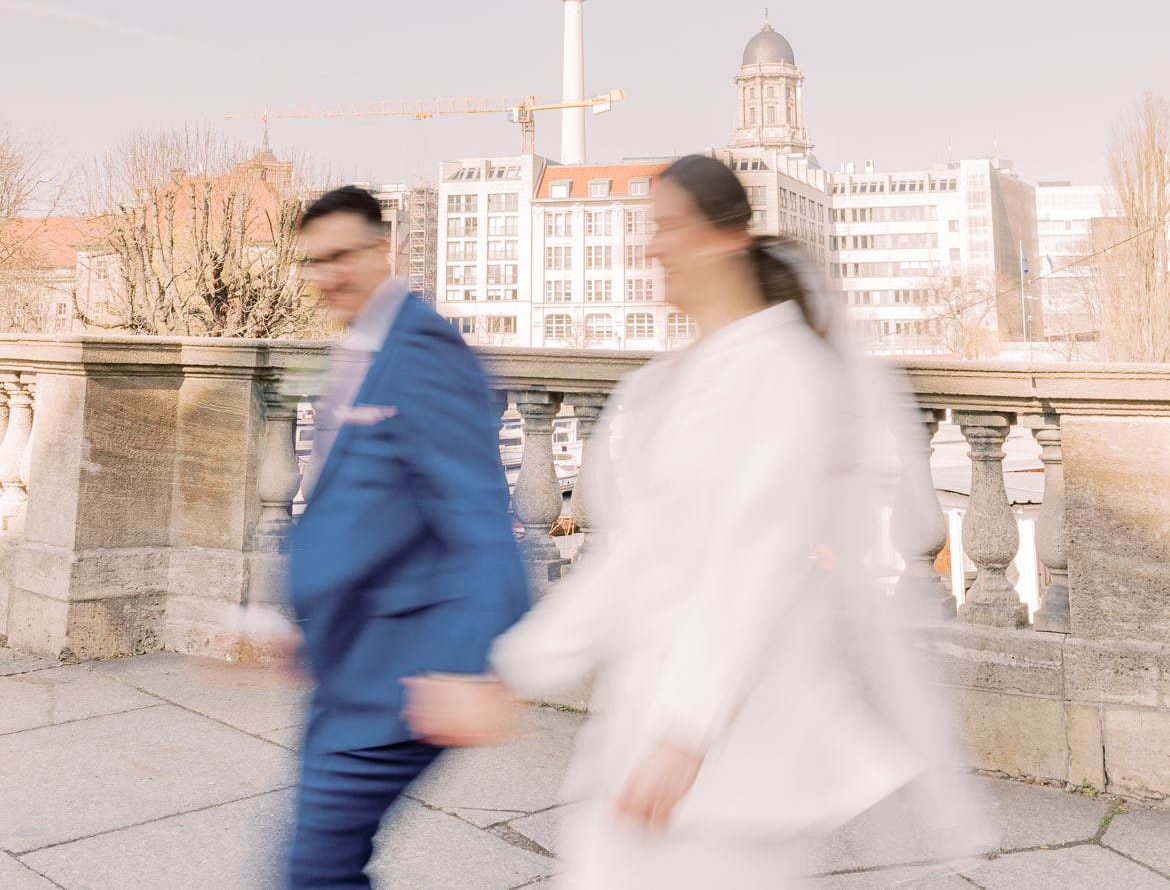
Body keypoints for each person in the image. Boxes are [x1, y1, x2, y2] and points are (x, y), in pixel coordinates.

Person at [406, 155, 978, 889]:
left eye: (668, 226)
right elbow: (633, 561)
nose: (651, 246)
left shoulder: (784, 370)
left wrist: (685, 730)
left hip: (735, 757)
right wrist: (507, 672)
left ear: (725, 237)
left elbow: (759, 559)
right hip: (642, 745)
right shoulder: (657, 383)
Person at [281, 185, 529, 890]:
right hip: (349, 660)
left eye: (342, 256)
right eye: (314, 261)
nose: (327, 275)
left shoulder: (421, 345)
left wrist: (460, 663)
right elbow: (360, 503)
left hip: (402, 675)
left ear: (382, 248)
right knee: (319, 866)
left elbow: (480, 514)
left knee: (318, 871)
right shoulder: (362, 345)